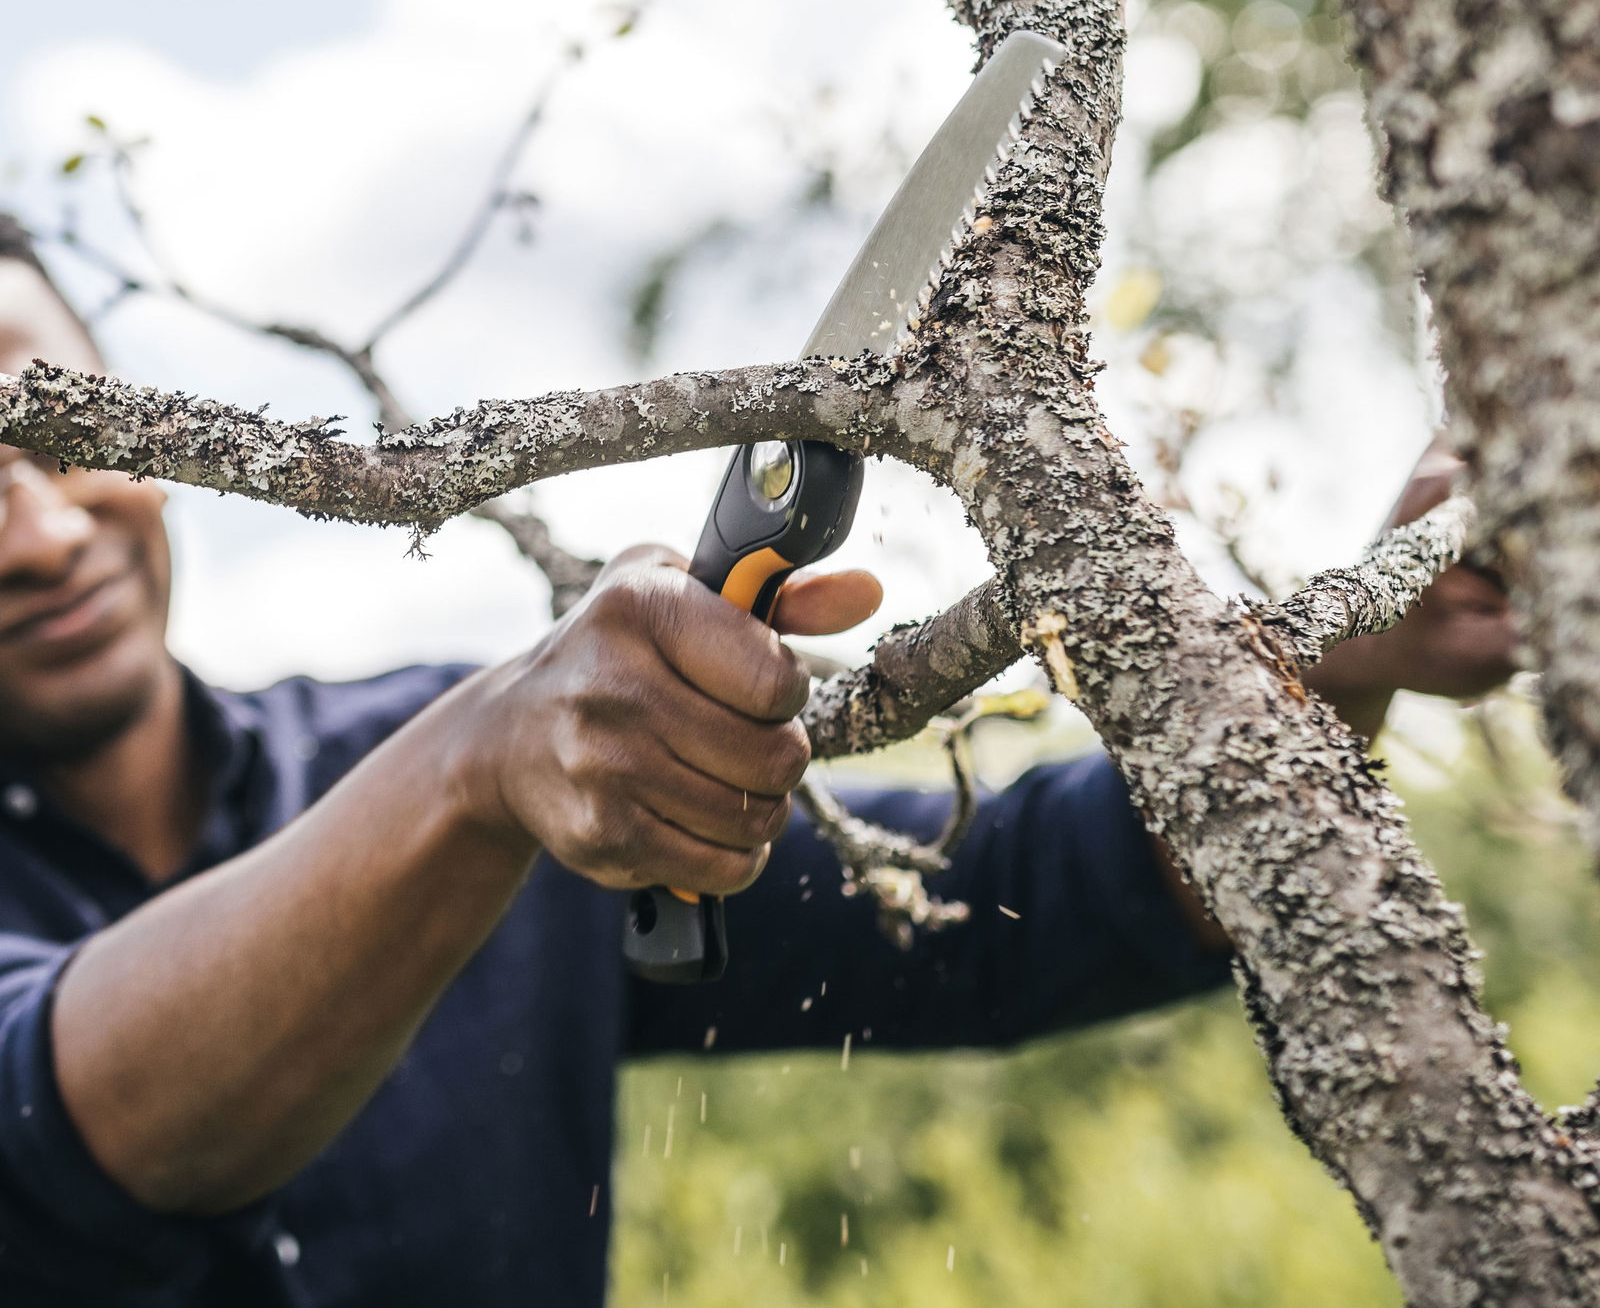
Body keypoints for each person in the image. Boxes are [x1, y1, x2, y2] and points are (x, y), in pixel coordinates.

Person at [0, 230, 1515, 1306]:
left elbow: (1021, 908)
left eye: (56, 431)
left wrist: (1346, 650)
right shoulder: (465, 781)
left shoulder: (421, 773)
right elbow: (82, 1126)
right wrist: (474, 768)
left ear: (147, 430)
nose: (39, 534)